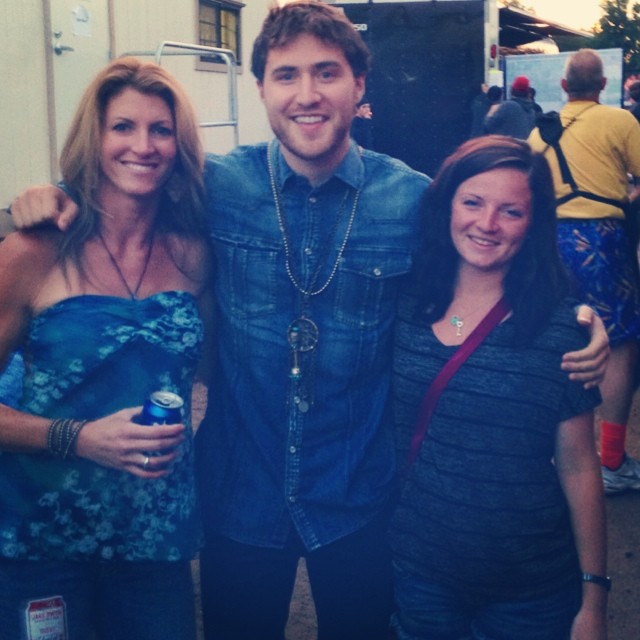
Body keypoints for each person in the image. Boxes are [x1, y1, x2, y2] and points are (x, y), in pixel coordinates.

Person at [10, 3, 609, 638]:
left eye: (326, 73)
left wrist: (576, 316)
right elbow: (126, 177)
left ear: (359, 86)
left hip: (359, 498)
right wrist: (52, 195)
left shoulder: (411, 198)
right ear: (261, 87)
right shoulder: (216, 185)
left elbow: (490, 255)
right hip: (242, 496)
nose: (307, 94)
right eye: (286, 75)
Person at [0, 57, 213, 639]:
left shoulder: (195, 254)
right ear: (94, 138)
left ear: (179, 144)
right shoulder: (35, 250)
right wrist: (79, 438)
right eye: (122, 127)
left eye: (160, 130)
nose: (141, 145)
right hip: (43, 540)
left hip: (154, 542)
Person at [390, 135, 607, 640]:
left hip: (531, 592)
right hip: (420, 577)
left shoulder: (559, 329)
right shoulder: (403, 303)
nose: (486, 225)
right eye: (472, 203)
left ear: (533, 225)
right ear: (447, 206)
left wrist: (594, 600)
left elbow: (578, 466)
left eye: (510, 211)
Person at [529, 48, 640, 495]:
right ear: (601, 85)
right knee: (618, 342)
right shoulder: (620, 123)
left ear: (562, 86)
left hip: (547, 243)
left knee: (555, 336)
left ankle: (552, 454)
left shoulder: (537, 134)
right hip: (602, 242)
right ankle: (611, 460)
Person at [484, 75, 537, 139]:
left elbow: (488, 125)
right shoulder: (532, 112)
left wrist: (491, 112)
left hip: (506, 147)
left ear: (512, 90)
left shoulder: (508, 106)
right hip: (523, 147)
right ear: (528, 92)